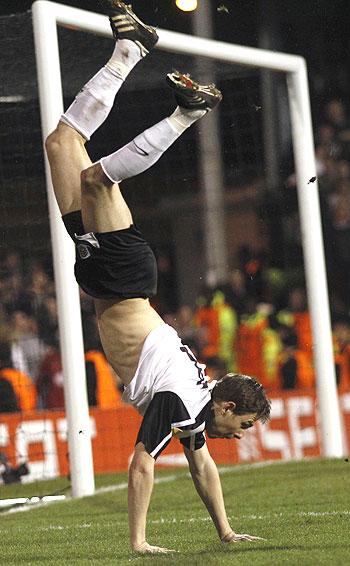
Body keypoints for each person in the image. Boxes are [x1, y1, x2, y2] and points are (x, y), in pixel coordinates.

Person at [45, 1, 271, 554]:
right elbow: (141, 463)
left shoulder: (196, 409)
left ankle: (130, 50)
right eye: (242, 427)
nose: (238, 439)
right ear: (225, 408)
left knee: (62, 144)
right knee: (98, 180)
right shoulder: (180, 401)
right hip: (121, 279)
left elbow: (202, 468)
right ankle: (186, 115)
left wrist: (225, 530)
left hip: (110, 276)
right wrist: (139, 543)